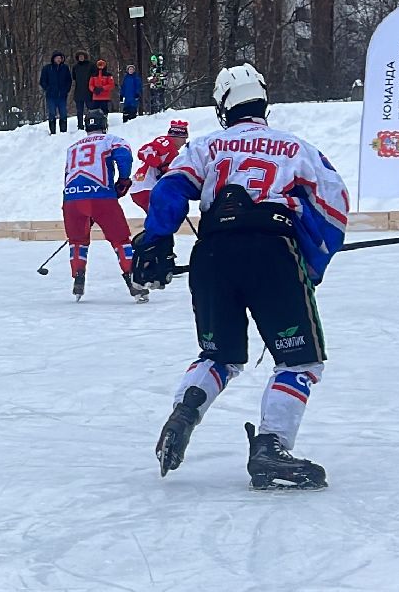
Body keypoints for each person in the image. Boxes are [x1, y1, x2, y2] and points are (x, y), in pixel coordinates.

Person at [131, 63, 349, 490]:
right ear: (262, 100)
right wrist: (312, 258)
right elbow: (333, 203)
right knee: (299, 361)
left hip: (213, 254)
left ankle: (185, 412)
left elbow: (169, 189)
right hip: (273, 254)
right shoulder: (295, 147)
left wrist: (157, 239)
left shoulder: (206, 147)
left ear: (222, 106)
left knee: (219, 356)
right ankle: (271, 445)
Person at [62, 110, 147, 302]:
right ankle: (135, 282)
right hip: (101, 196)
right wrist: (123, 180)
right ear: (104, 124)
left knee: (77, 241)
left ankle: (78, 278)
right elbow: (124, 157)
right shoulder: (112, 140)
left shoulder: (72, 148)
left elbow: (67, 175)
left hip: (72, 199)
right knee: (120, 240)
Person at [129, 120, 191, 213]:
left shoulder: (173, 152)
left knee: (161, 216)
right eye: (184, 138)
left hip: (142, 187)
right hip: (146, 188)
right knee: (162, 216)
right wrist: (158, 164)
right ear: (178, 137)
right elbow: (145, 151)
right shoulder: (167, 142)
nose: (184, 142)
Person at [39, 51, 73, 134]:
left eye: (60, 58)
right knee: (52, 113)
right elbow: (42, 81)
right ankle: (53, 131)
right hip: (51, 95)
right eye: (57, 58)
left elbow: (69, 80)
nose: (58, 59)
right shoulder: (47, 68)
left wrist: (66, 90)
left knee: (63, 113)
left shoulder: (65, 68)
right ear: (53, 59)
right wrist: (47, 88)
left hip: (62, 95)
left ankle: (63, 131)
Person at [71, 50, 95, 130]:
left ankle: (91, 124)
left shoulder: (90, 65)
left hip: (89, 91)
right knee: (79, 111)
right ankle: (80, 125)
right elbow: (74, 77)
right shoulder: (75, 67)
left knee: (91, 110)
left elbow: (94, 76)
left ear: (85, 57)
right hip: (79, 91)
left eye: (82, 56)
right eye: (79, 56)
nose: (81, 58)